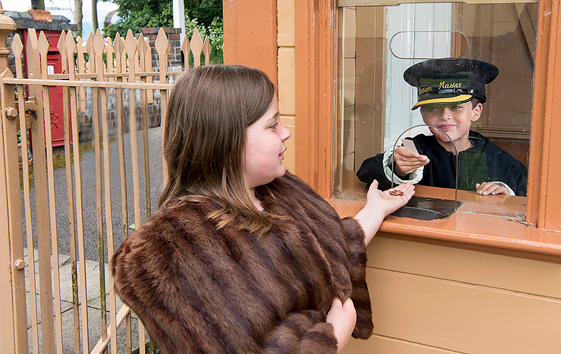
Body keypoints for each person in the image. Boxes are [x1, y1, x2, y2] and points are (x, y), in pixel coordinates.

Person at [110, 65, 414, 354]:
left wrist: (375, 209)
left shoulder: (276, 191)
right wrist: (334, 331)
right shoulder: (175, 254)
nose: (286, 133)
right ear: (224, 139)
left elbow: (327, 251)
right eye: (272, 125)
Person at [356, 58, 528, 196]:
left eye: (457, 106)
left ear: (476, 111)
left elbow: (524, 193)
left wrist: (505, 194)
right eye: (434, 108)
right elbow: (366, 172)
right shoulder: (414, 149)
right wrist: (398, 167)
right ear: (423, 114)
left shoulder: (500, 161)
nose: (445, 115)